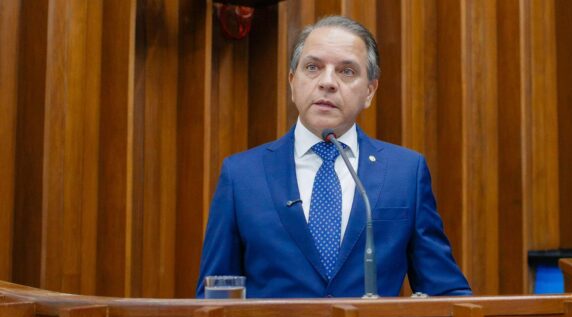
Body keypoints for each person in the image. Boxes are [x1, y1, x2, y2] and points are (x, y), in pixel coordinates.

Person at [196, 15, 471, 298]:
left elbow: (446, 293)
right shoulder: (241, 176)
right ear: (292, 82)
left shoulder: (405, 173)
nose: (327, 82)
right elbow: (215, 296)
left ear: (369, 91)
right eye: (312, 67)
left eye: (346, 71)